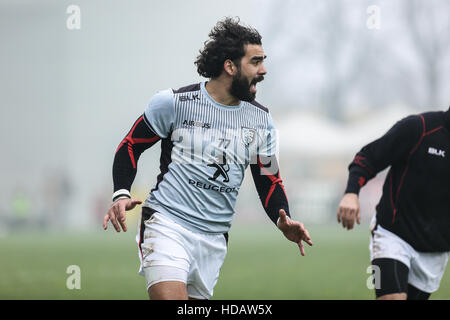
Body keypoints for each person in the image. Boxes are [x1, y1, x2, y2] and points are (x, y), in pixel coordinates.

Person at [103, 17, 313, 300]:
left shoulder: (261, 120)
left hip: (214, 239)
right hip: (167, 222)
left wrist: (282, 218)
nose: (263, 70)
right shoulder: (174, 103)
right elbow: (130, 146)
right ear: (230, 66)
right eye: (255, 62)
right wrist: (120, 194)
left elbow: (268, 178)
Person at [337, 107, 450, 300]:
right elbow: (368, 157)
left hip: (435, 252)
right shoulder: (419, 128)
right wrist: (351, 193)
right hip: (392, 236)